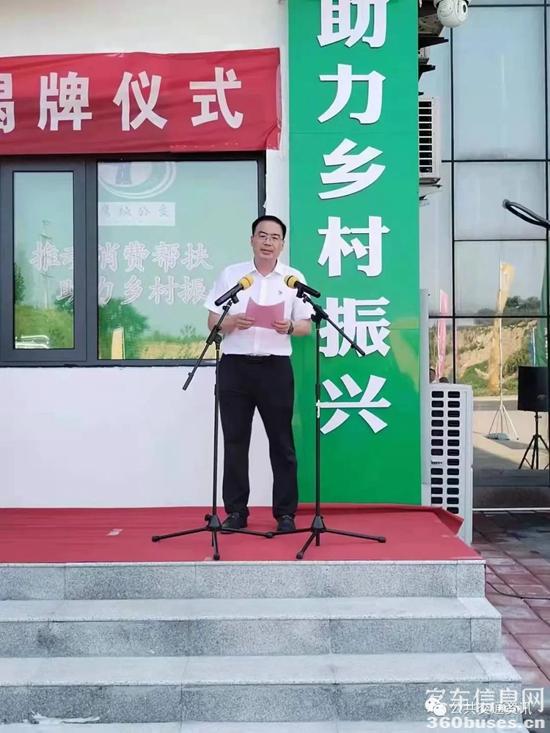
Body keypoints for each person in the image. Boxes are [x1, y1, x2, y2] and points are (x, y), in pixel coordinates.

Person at [204, 214, 313, 533]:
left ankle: (286, 514)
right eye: (262, 236)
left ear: (282, 244)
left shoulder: (293, 279)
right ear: (252, 240)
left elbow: (306, 326)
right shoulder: (233, 275)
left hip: (275, 368)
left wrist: (290, 326)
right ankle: (236, 512)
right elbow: (212, 321)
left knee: (282, 442)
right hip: (235, 367)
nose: (268, 242)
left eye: (275, 237)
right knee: (235, 441)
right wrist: (232, 322)